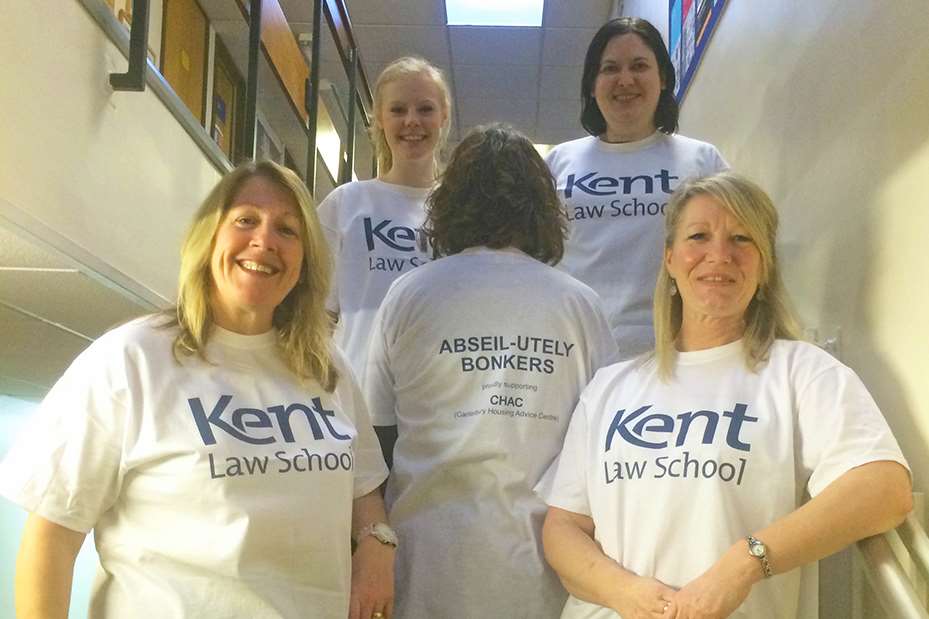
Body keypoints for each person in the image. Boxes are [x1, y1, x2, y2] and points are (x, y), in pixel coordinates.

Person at [0, 161, 397, 619]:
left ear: (305, 260)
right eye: (246, 219)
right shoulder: (131, 359)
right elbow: (52, 535)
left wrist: (377, 545)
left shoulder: (327, 367)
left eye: (287, 230)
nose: (264, 240)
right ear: (208, 238)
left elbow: (364, 488)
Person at [537, 172, 912, 619]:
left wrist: (745, 563)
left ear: (764, 265)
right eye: (699, 236)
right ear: (670, 259)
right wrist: (628, 594)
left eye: (741, 239)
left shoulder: (800, 371)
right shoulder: (611, 387)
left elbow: (884, 489)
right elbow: (565, 527)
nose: (719, 255)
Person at [364, 124, 618, 618]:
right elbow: (603, 449)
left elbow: (378, 434)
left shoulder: (409, 294)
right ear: (542, 207)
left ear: (450, 202)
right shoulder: (580, 304)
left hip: (426, 564)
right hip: (543, 570)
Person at [546, 17, 728, 359]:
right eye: (610, 68)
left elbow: (733, 253)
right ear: (592, 83)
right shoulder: (558, 162)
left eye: (639, 66)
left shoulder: (702, 160)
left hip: (674, 352)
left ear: (662, 79)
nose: (625, 80)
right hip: (574, 350)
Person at [317, 56, 452, 381]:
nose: (412, 121)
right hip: (355, 396)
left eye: (425, 109)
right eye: (397, 110)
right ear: (378, 118)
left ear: (443, 117)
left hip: (438, 400)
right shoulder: (345, 203)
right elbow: (318, 316)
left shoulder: (461, 210)